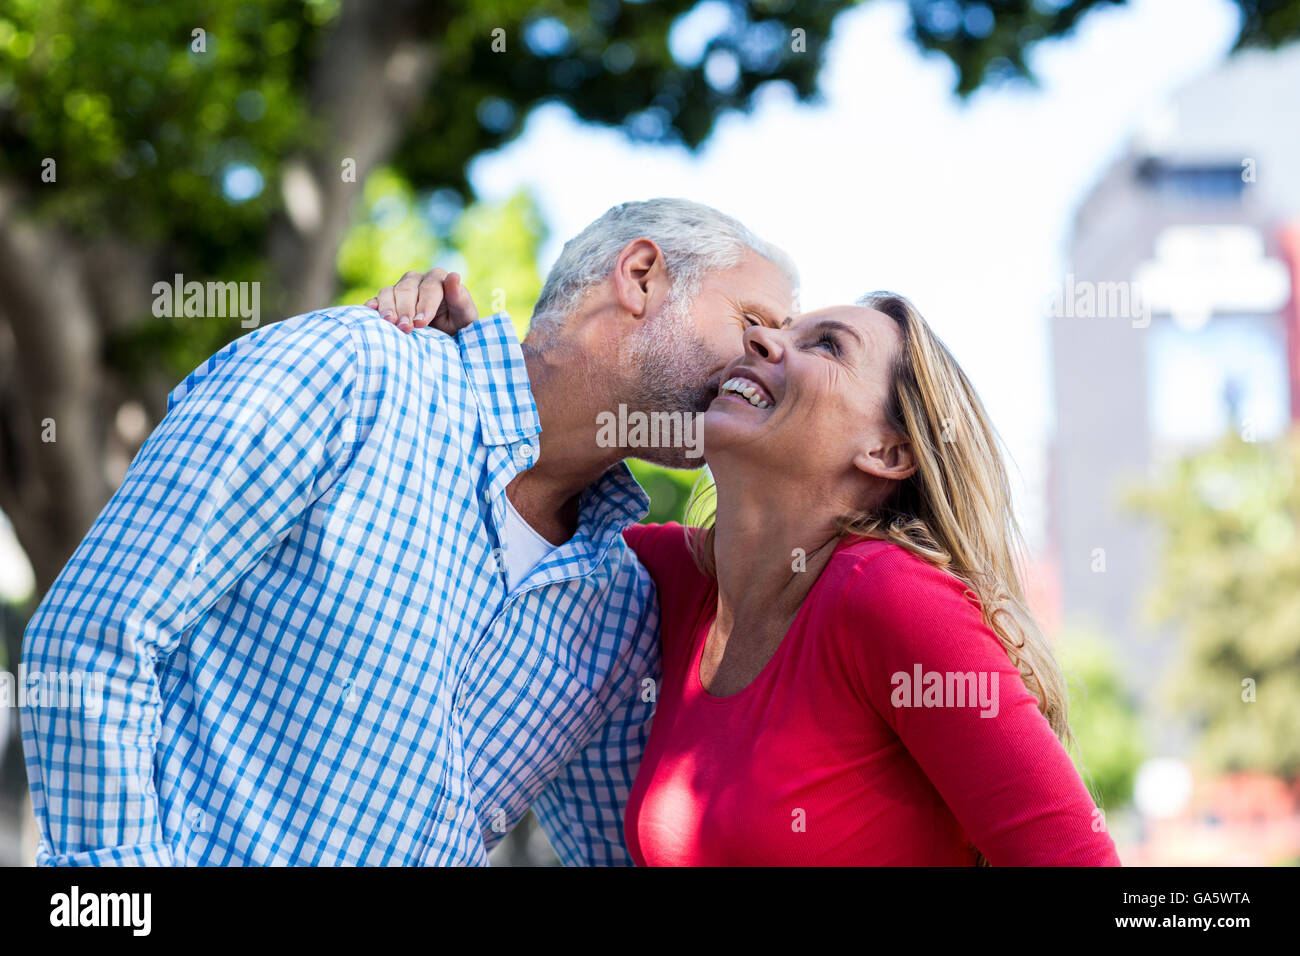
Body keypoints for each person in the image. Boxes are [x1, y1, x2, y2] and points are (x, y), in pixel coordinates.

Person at [20, 198, 797, 866]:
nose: (770, 361)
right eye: (755, 324)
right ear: (640, 276)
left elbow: (631, 853)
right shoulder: (350, 373)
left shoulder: (621, 611)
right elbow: (92, 636)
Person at [374, 280, 1121, 865]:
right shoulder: (666, 578)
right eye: (769, 328)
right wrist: (468, 364)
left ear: (887, 453)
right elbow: (528, 501)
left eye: (824, 345)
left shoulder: (891, 598)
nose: (763, 339)